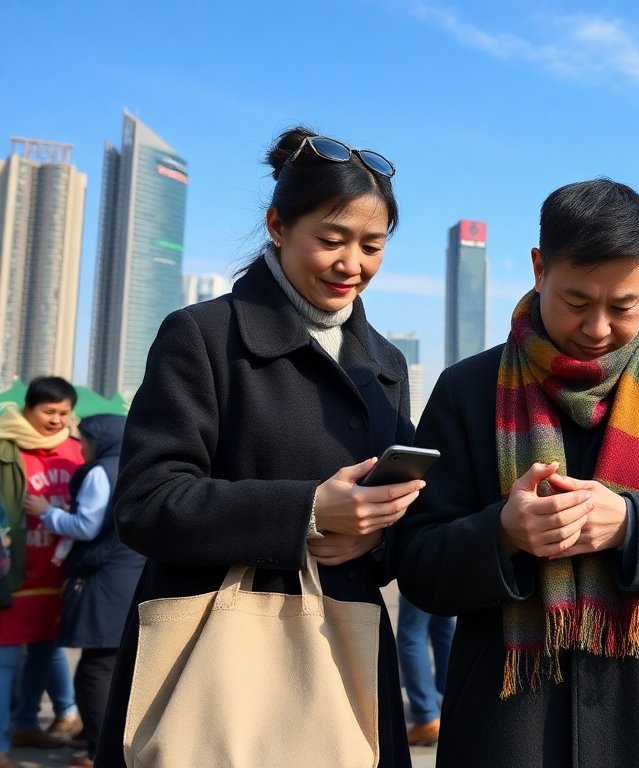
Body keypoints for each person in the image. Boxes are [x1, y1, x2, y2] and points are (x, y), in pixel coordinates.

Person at [391, 179, 639, 767]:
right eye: (576, 301)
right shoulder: (467, 390)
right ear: (540, 269)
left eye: (622, 306)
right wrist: (503, 534)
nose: (597, 328)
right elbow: (416, 565)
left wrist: (632, 524)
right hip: (506, 728)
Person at [100, 127, 419, 767]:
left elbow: (391, 519)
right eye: (330, 240)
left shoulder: (384, 362)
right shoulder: (203, 335)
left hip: (345, 646)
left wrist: (378, 535)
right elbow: (145, 500)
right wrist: (306, 511)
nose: (351, 263)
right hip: (217, 656)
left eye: (371, 245)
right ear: (277, 225)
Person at [40, 415, 142, 768]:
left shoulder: (101, 471)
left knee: (94, 671)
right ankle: (97, 740)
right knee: (111, 667)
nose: (79, 446)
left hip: (105, 580)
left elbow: (86, 526)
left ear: (99, 440)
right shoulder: (129, 463)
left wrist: (46, 513)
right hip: (125, 576)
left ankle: (100, 750)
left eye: (82, 439)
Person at [1, 377, 84, 766]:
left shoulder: (78, 449)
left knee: (43, 651)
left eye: (64, 413)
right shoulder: (6, 446)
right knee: (4, 661)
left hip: (60, 575)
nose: (56, 420)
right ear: (28, 409)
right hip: (13, 574)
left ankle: (26, 724)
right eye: (48, 412)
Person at [396, 592, 456, 746]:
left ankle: (427, 715)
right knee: (442, 624)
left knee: (411, 634)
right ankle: (451, 707)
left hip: (421, 569)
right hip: (452, 569)